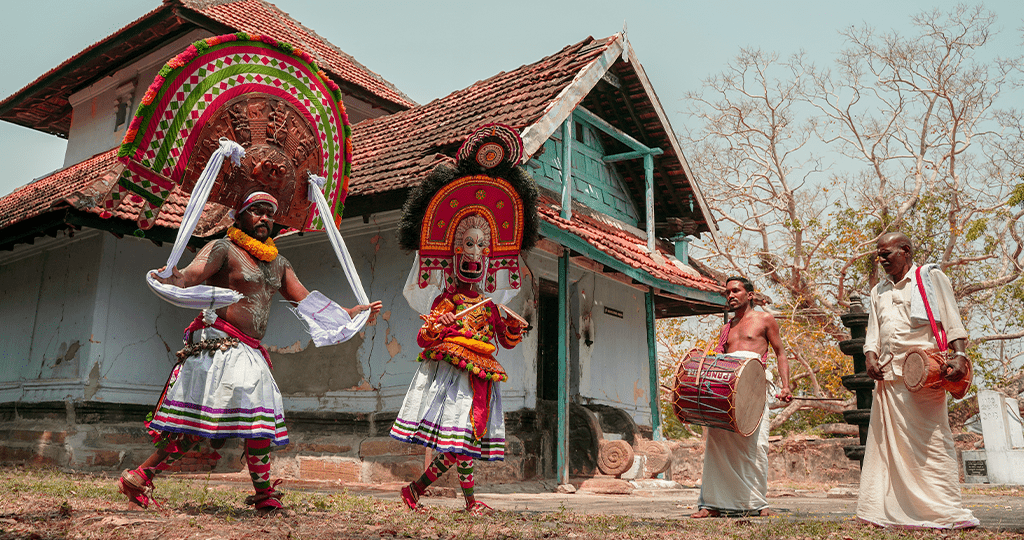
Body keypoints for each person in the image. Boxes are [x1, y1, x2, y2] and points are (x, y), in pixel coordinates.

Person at [117, 191, 381, 514]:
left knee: (258, 419)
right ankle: (142, 475)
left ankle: (260, 492)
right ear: (238, 216)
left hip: (250, 352)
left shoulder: (279, 264)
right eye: (256, 211)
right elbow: (191, 275)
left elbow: (306, 301)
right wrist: (176, 277)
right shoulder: (223, 249)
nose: (264, 218)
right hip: (220, 346)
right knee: (195, 427)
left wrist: (351, 312)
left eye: (270, 213)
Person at [389, 123, 538, 515]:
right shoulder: (446, 299)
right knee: (460, 443)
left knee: (465, 443)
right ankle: (436, 494)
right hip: (454, 378)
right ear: (453, 252)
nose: (476, 252)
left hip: (481, 376)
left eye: (483, 245)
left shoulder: (489, 303)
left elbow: (503, 339)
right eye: (468, 243)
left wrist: (512, 326)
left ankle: (429, 493)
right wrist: (442, 326)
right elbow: (427, 336)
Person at [857, 232, 978, 529]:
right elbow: (874, 331)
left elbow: (951, 320)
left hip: (924, 375)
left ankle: (946, 511)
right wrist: (870, 356)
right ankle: (884, 512)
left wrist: (960, 356)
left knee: (933, 443)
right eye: (878, 255)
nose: (881, 259)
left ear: (906, 250)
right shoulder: (878, 291)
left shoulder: (930, 277)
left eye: (887, 254)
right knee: (887, 448)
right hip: (889, 379)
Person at [691, 275, 792, 518]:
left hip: (755, 386)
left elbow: (780, 353)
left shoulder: (765, 319)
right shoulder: (727, 328)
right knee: (717, 443)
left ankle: (758, 503)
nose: (730, 296)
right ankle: (711, 504)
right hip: (727, 389)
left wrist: (786, 386)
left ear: (749, 295)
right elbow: (719, 359)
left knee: (756, 445)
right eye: (727, 292)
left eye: (735, 291)